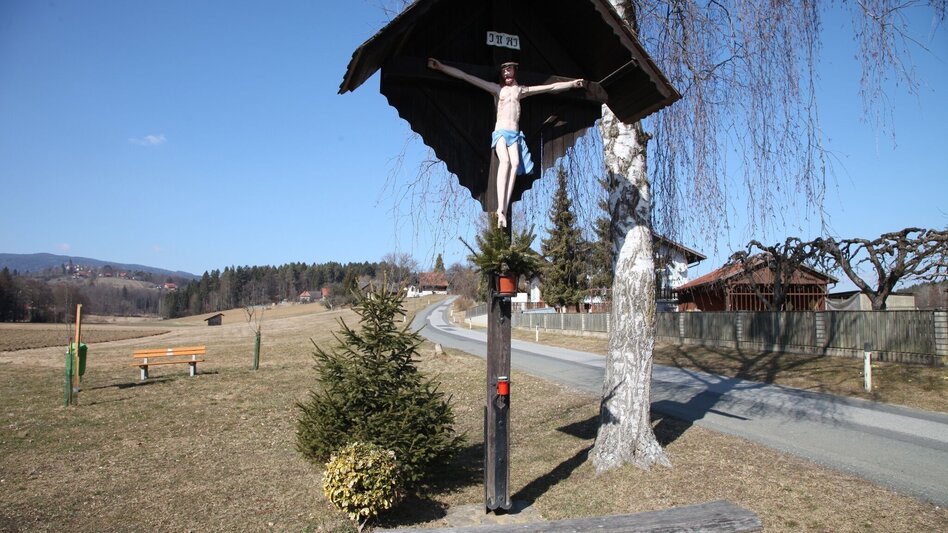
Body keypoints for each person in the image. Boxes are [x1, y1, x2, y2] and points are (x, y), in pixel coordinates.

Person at [428, 58, 585, 227]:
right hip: (501, 132)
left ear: (514, 72)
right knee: (506, 161)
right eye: (504, 72)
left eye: (509, 70)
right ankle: (500, 209)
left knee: (515, 164)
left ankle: (503, 206)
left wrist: (571, 84)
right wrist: (441, 67)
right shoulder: (497, 89)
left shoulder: (521, 91)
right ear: (501, 75)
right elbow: (467, 77)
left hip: (515, 134)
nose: (506, 73)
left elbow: (550, 87)